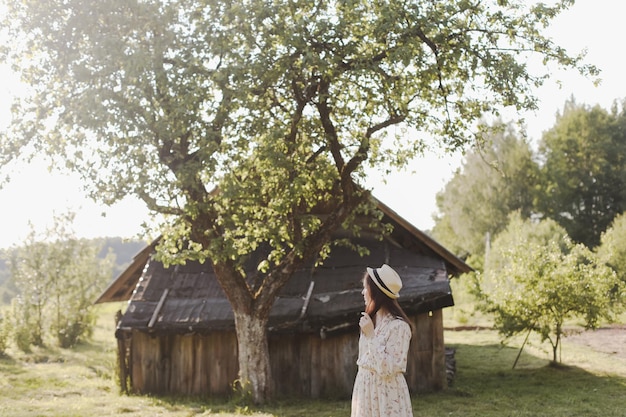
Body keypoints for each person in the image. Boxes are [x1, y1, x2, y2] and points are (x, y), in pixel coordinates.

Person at [350, 264, 414, 417]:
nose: (363, 292)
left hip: (386, 394)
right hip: (365, 389)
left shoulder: (399, 326)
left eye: (366, 288)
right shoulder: (370, 321)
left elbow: (388, 369)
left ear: (375, 292)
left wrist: (371, 336)